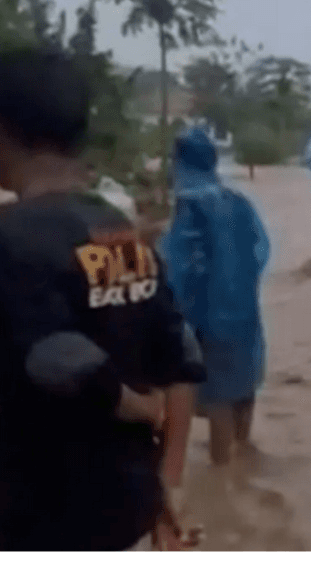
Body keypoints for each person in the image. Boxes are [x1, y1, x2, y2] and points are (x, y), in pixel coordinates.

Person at [0, 47, 205, 550]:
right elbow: (180, 358)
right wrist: (168, 484)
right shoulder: (123, 233)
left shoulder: (9, 240)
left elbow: (59, 361)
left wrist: (134, 405)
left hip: (37, 513)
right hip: (124, 504)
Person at [159, 127, 271, 469]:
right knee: (244, 385)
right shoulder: (238, 201)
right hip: (244, 310)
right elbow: (261, 251)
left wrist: (177, 313)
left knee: (217, 396)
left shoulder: (189, 206)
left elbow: (180, 267)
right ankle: (244, 454)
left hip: (206, 314)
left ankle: (224, 477)